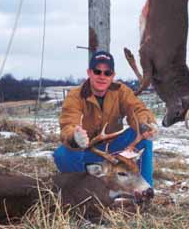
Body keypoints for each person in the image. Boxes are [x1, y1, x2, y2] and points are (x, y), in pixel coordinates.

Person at [53, 51, 157, 187]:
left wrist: (145, 124)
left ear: (112, 75)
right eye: (97, 72)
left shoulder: (121, 91)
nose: (102, 77)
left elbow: (137, 110)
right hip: (87, 151)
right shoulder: (75, 96)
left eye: (107, 73)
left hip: (114, 150)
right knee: (62, 155)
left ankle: (143, 192)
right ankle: (85, 190)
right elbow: (68, 124)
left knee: (144, 139)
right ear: (89, 73)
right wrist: (75, 137)